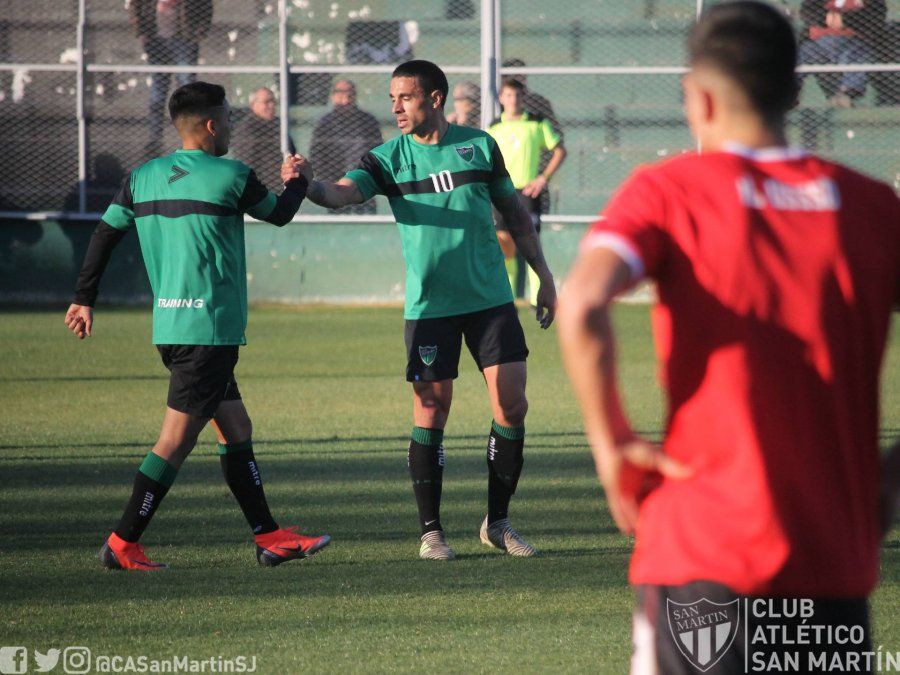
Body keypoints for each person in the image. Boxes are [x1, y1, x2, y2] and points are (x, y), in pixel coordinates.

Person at [557, 3, 899, 673]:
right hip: (830, 565)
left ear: (698, 96)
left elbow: (581, 302)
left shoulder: (667, 192)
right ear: (796, 92)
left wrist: (613, 445)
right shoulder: (875, 207)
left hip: (699, 560)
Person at [64, 82, 331, 571]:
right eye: (228, 117)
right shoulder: (231, 174)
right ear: (211, 125)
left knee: (236, 428)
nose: (230, 124)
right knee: (175, 441)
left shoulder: (142, 177)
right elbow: (280, 214)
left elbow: (105, 232)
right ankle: (122, 543)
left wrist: (84, 297)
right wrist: (297, 178)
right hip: (207, 331)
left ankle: (269, 536)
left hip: (172, 326)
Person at [298, 59, 557, 561]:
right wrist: (310, 185)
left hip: (490, 301)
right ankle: (432, 532)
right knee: (431, 411)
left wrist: (544, 276)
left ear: (434, 99)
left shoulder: (478, 145)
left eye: (406, 97)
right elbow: (343, 193)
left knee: (512, 405)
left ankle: (498, 523)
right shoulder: (388, 158)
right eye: (392, 97)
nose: (395, 106)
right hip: (431, 306)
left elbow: (515, 215)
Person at [488, 77, 566, 306]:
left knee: (532, 244)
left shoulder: (537, 123)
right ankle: (507, 299)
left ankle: (537, 299)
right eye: (508, 95)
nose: (513, 100)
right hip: (502, 193)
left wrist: (542, 178)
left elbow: (559, 150)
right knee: (504, 244)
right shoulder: (494, 127)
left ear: (524, 98)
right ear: (502, 98)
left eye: (517, 95)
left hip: (528, 193)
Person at [131, 0, 213, 157]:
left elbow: (206, 5)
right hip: (156, 40)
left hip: (184, 39)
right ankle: (155, 140)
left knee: (188, 91)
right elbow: (135, 5)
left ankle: (192, 138)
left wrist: (199, 33)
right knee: (158, 92)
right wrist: (141, 32)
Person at [309, 79, 383, 214]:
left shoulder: (368, 121)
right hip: (335, 186)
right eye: (341, 92)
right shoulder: (325, 124)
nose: (346, 97)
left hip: (363, 184)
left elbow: (378, 151)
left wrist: (369, 178)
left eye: (350, 93)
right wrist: (330, 183)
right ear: (333, 96)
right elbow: (317, 155)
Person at [799, 0, 887, 107]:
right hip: (819, 43)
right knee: (801, 55)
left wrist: (845, 19)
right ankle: (784, 94)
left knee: (856, 54)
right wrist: (826, 17)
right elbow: (808, 10)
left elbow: (876, 15)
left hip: (854, 41)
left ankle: (846, 94)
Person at [230, 86, 296, 191]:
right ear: (253, 105)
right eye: (266, 102)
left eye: (273, 101)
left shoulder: (279, 124)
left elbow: (291, 151)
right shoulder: (246, 129)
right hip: (259, 189)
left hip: (281, 186)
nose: (272, 105)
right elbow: (245, 162)